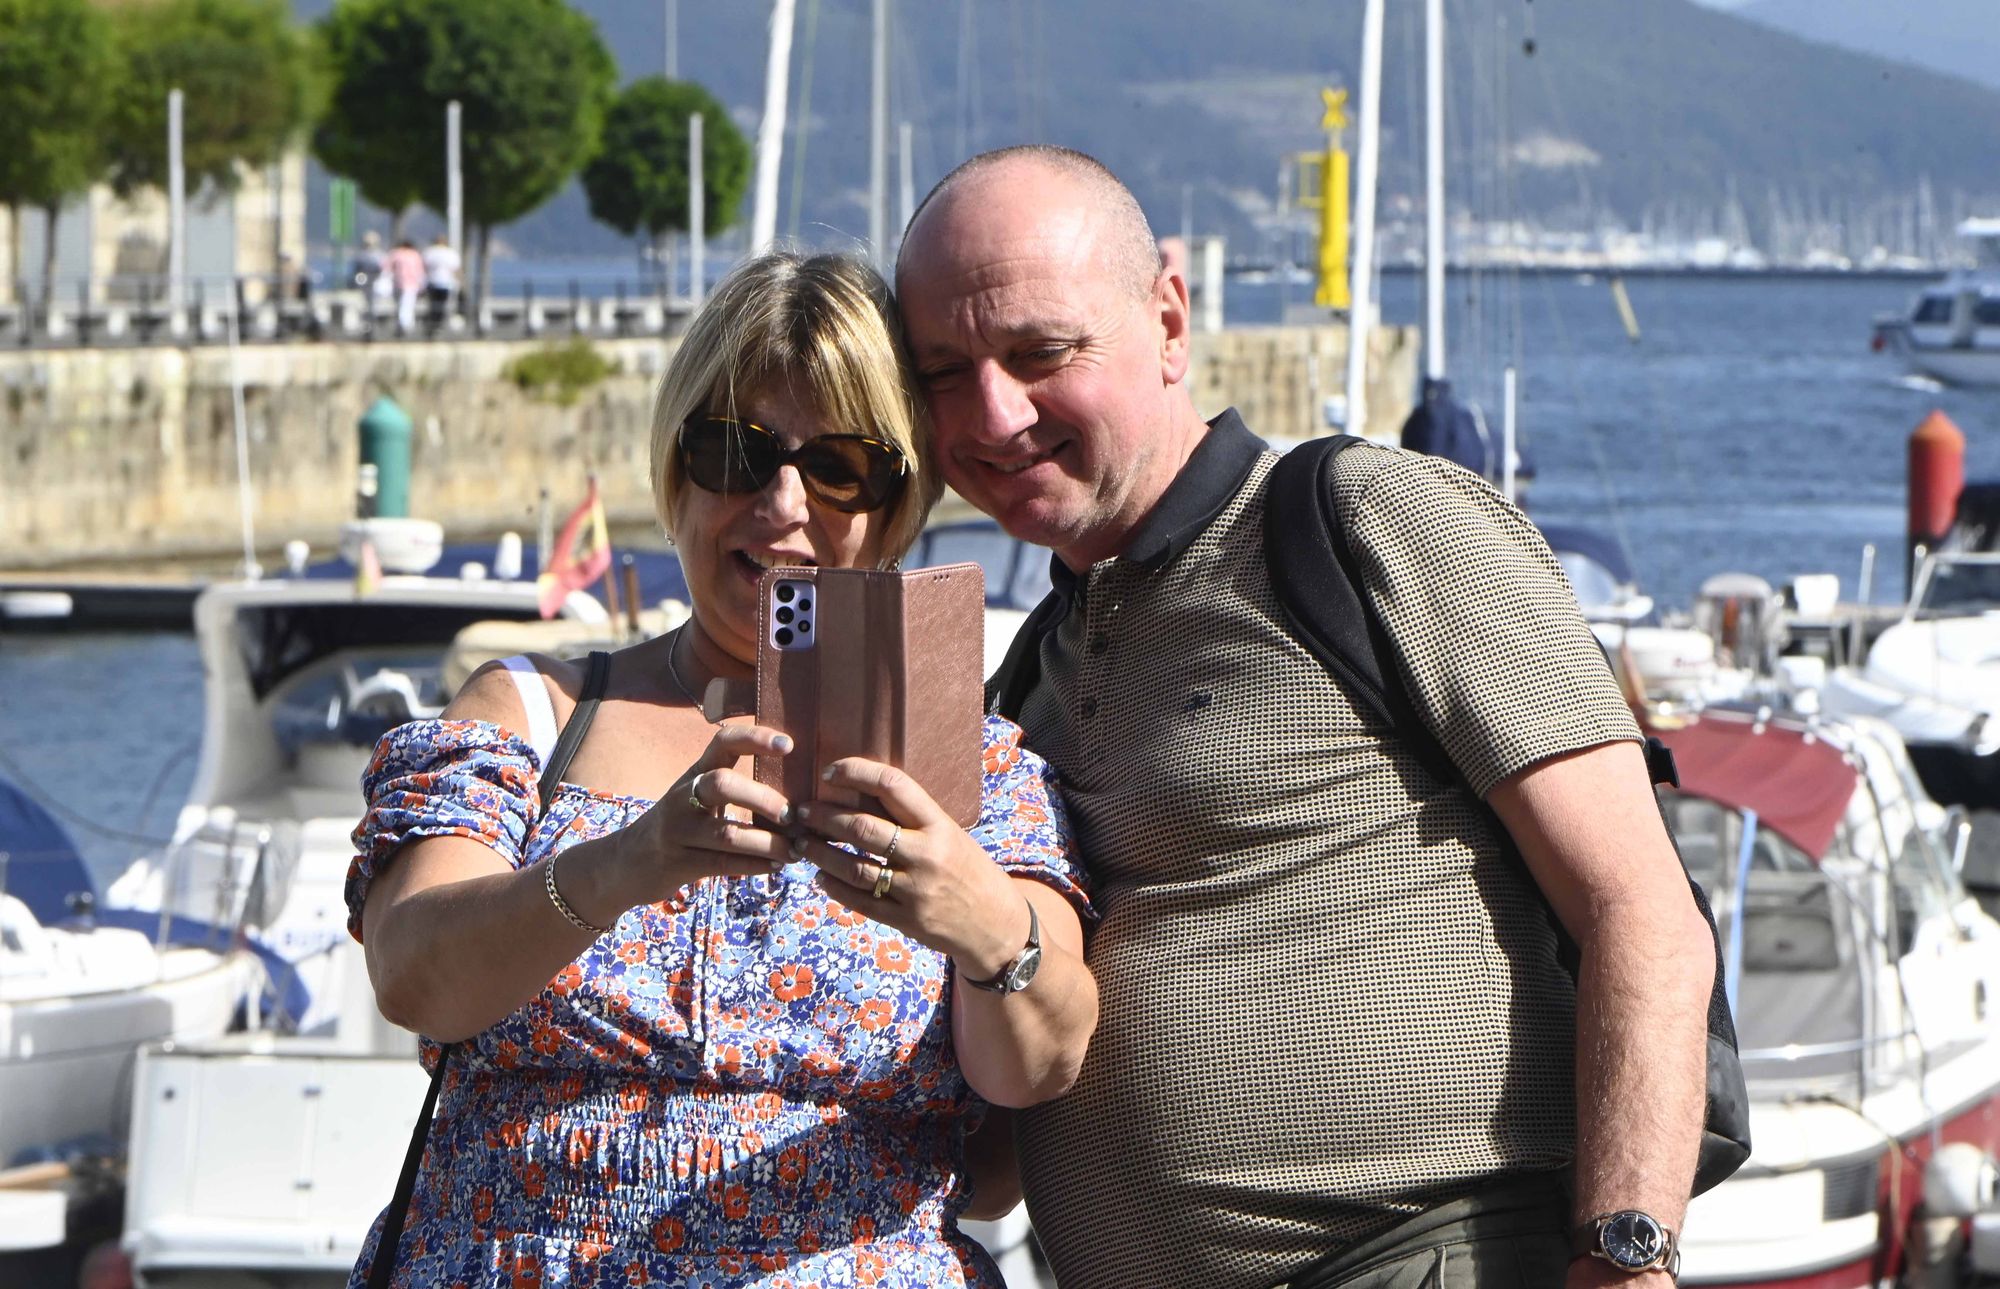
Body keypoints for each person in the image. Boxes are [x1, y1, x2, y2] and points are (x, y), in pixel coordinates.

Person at [895, 145, 1715, 1289]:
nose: (991, 410)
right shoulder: (1032, 664)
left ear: (1168, 322)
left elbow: (1641, 907)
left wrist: (1626, 1254)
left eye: (1040, 352)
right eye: (942, 370)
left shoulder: (1367, 521)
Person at [344, 249, 1097, 1288]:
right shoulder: (535, 709)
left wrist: (972, 916)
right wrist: (629, 861)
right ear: (674, 472)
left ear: (898, 501)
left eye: (842, 467)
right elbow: (412, 971)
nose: (784, 504)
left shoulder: (970, 762)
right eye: (734, 452)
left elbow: (1039, 1063)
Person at [422, 233, 461, 333]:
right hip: (445, 283)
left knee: (432, 304)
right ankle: (437, 324)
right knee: (441, 304)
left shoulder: (429, 252)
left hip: (432, 281)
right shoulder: (450, 253)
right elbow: (456, 269)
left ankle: (433, 323)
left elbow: (424, 267)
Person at [387, 237, 426, 335]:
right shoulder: (415, 255)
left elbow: (387, 267)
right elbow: (420, 271)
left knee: (400, 305)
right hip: (412, 284)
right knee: (408, 305)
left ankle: (402, 324)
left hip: (397, 282)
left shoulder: (396, 253)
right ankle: (406, 324)